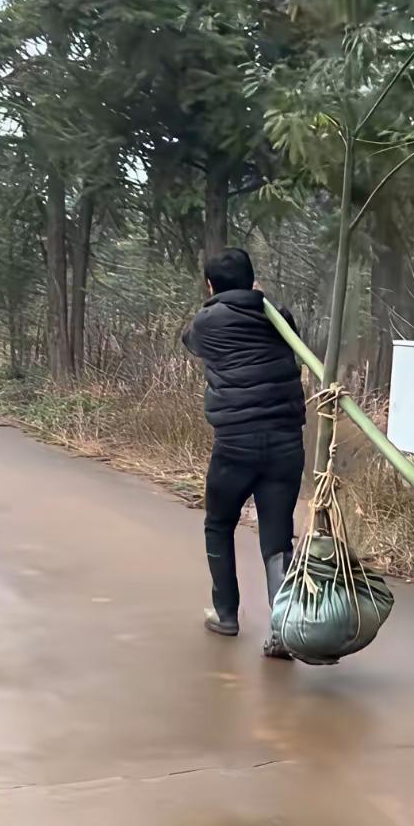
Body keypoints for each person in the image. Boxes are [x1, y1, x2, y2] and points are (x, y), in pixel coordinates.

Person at [182, 247, 306, 640]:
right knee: (277, 538)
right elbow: (291, 340)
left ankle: (226, 615)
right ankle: (284, 631)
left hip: (235, 444)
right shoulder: (278, 315)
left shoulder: (207, 321)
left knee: (219, 524)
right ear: (253, 281)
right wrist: (261, 300)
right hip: (286, 443)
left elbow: (190, 340)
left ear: (210, 286)